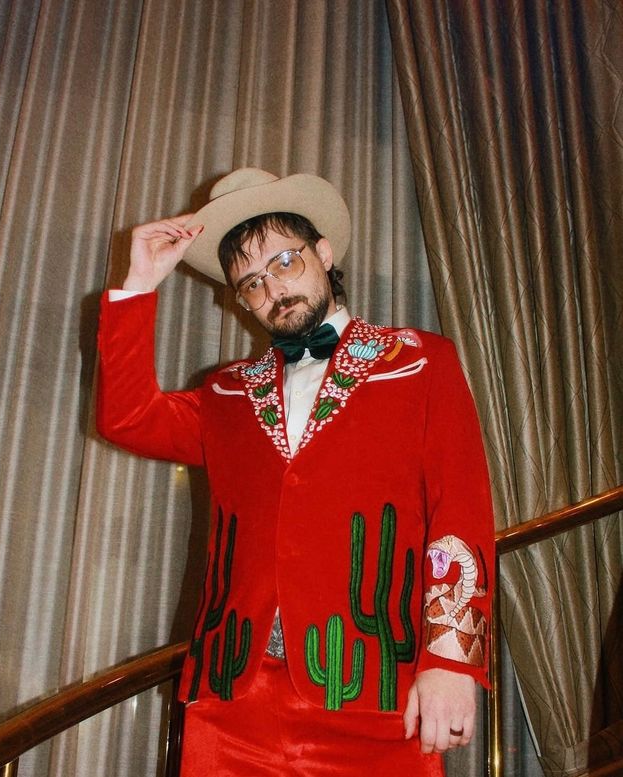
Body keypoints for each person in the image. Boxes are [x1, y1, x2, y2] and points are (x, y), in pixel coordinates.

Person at [96, 168, 495, 776]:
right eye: (250, 283)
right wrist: (139, 285)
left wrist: (452, 662)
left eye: (284, 262)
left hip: (376, 693)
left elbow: (460, 513)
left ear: (324, 253)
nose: (271, 289)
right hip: (233, 700)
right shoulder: (227, 392)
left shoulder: (419, 362)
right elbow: (125, 418)